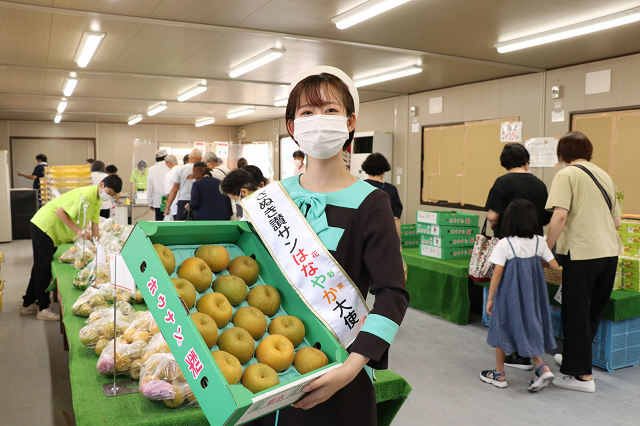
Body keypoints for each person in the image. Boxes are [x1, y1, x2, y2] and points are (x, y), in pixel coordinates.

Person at [248, 66, 409, 426]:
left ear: (350, 121)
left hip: (337, 371)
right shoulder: (272, 199)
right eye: (307, 112)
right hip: (266, 367)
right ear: (292, 127)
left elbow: (392, 294)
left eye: (330, 110)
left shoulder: (372, 202)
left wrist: (351, 369)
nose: (319, 119)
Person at [545, 131, 621, 393]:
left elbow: (560, 216)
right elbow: (617, 221)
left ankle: (582, 377)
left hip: (582, 253)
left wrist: (546, 249)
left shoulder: (567, 175)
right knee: (591, 312)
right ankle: (576, 359)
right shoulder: (605, 175)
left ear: (562, 153)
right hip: (609, 253)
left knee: (575, 312)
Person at [480, 199, 558, 391]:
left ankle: (499, 374)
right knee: (529, 326)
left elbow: (497, 273)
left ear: (509, 220)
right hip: (533, 297)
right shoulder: (540, 241)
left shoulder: (505, 244)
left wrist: (490, 298)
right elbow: (554, 265)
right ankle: (541, 365)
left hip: (509, 296)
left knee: (501, 327)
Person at [21, 175, 122, 321]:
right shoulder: (85, 195)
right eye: (108, 192)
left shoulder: (96, 200)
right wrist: (78, 230)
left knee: (40, 267)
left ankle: (28, 303)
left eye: (112, 195)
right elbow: (59, 212)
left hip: (52, 232)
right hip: (45, 227)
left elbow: (95, 225)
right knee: (43, 269)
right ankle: (42, 308)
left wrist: (98, 247)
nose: (109, 196)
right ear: (101, 185)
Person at [486, 143, 552, 239]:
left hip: (508, 243)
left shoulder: (502, 182)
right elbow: (545, 220)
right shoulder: (540, 184)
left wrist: (493, 224)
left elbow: (492, 217)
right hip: (534, 243)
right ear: (526, 160)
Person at [362, 152, 403, 238]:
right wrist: (398, 242)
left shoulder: (359, 186)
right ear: (384, 170)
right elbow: (396, 219)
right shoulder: (391, 189)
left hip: (362, 232)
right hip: (384, 234)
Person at [165, 148, 201, 220]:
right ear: (201, 158)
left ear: (189, 158)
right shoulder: (203, 170)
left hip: (183, 202)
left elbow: (174, 190)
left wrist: (168, 207)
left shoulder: (180, 169)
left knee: (181, 227)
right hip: (199, 202)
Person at [147, 149, 171, 221]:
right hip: (170, 201)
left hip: (158, 202)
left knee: (159, 224)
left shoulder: (151, 169)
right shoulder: (169, 168)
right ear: (165, 158)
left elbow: (149, 187)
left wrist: (150, 203)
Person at [163, 155, 179, 219]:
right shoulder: (184, 171)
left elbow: (169, 193)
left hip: (175, 205)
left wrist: (168, 207)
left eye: (166, 163)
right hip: (187, 206)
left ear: (169, 163)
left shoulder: (168, 175)